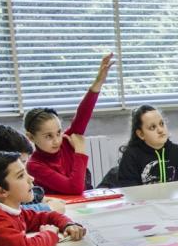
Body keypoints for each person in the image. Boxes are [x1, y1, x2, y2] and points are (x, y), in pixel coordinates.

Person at [25, 53, 114, 195]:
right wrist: (79, 151)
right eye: (48, 136)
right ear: (31, 137)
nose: (56, 141)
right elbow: (74, 189)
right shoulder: (34, 166)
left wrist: (98, 82)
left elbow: (83, 114)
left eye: (58, 133)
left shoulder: (65, 141)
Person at [0, 123, 65, 218]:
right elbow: (4, 213)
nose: (29, 176)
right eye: (21, 163)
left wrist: (38, 198)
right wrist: (48, 208)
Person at [116, 105, 178, 186]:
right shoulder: (131, 156)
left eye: (161, 124)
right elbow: (130, 191)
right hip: (143, 198)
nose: (160, 130)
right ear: (141, 134)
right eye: (152, 127)